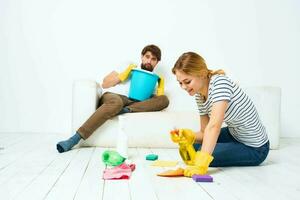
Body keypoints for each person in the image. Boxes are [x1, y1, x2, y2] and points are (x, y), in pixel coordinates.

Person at [171, 52, 269, 177]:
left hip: (256, 147)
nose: (183, 87)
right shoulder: (199, 96)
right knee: (194, 146)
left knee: (200, 153)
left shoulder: (220, 83)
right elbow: (204, 132)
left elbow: (214, 127)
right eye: (180, 83)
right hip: (235, 134)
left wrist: (201, 165)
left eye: (187, 81)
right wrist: (188, 135)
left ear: (201, 73)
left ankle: (207, 157)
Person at [57, 44, 169, 153]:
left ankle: (124, 110)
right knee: (117, 102)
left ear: (157, 62)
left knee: (164, 99)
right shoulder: (128, 65)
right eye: (147, 57)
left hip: (134, 104)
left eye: (153, 59)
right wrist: (124, 74)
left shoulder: (153, 79)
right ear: (142, 56)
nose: (149, 61)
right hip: (114, 97)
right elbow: (105, 84)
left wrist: (160, 86)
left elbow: (154, 103)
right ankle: (74, 139)